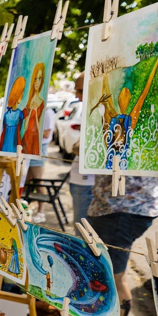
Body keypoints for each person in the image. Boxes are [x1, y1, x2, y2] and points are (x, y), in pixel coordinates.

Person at [68, 86, 158, 316]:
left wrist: (88, 143)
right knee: (104, 272)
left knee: (115, 278)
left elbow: (107, 145)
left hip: (124, 206)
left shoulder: (153, 103)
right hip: (119, 203)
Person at [67, 73, 94, 222]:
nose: (77, 96)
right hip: (82, 181)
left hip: (87, 183)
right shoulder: (89, 111)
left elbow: (82, 149)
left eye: (80, 91)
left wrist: (77, 147)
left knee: (83, 231)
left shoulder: (97, 112)